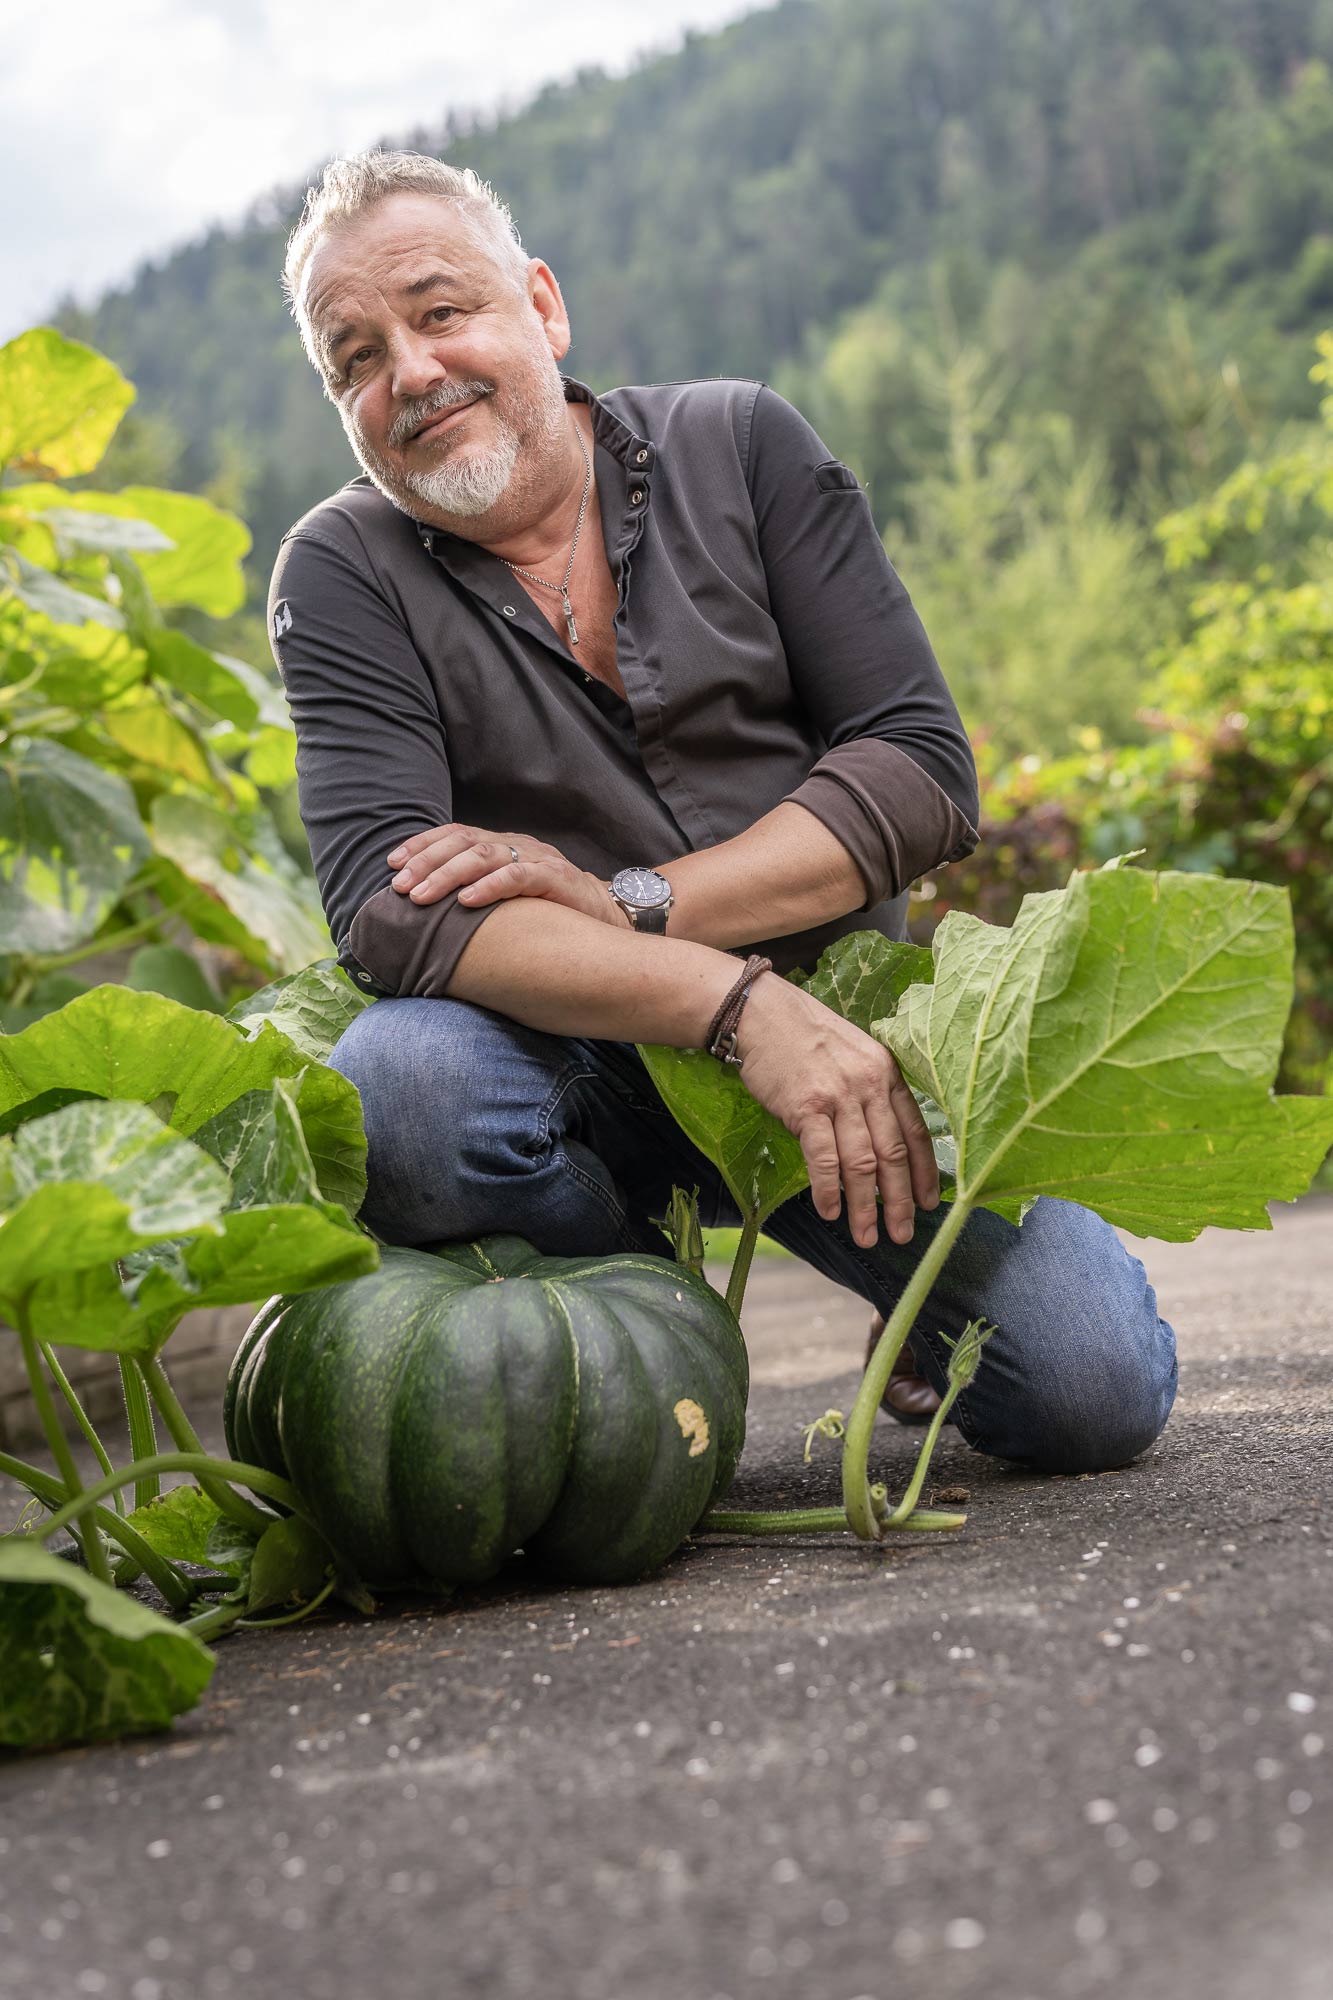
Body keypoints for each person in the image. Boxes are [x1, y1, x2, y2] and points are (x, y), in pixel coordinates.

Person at [268, 149, 1177, 1475]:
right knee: (399, 1087)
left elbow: (915, 769)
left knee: (1089, 1392)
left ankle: (910, 1329)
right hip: (562, 1071)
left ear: (540, 305)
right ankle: (650, 1371)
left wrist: (638, 905)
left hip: (848, 1047)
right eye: (354, 356)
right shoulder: (341, 570)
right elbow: (389, 916)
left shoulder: (737, 444)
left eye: (440, 311)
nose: (408, 370)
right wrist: (727, 1003)